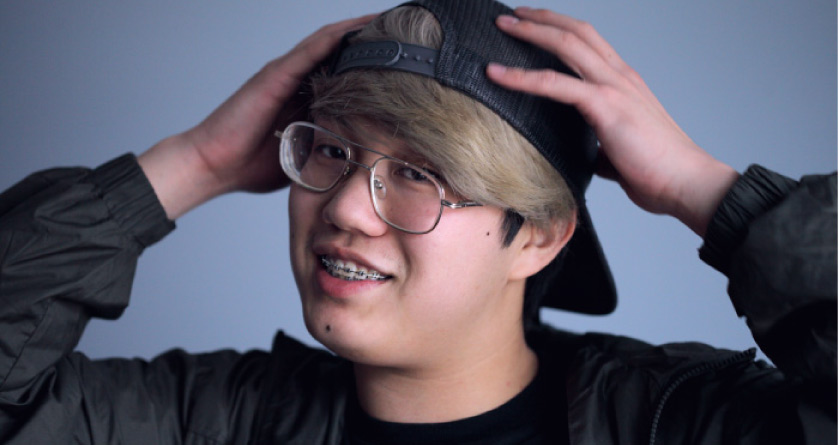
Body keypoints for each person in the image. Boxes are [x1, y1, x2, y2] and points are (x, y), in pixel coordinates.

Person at [0, 1, 834, 443]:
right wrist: (195, 161)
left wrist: (708, 191)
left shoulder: (682, 424)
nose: (344, 208)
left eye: (419, 176)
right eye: (330, 152)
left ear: (538, 235)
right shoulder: (205, 422)